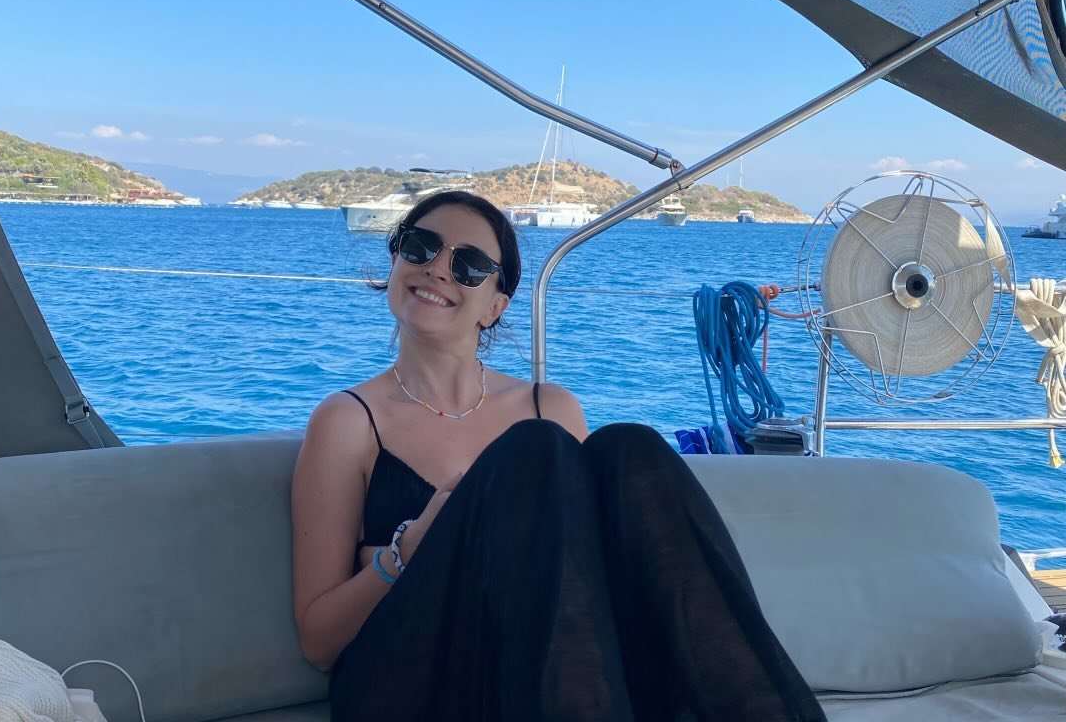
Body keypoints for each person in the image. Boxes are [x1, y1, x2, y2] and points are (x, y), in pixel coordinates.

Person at [292, 190, 824, 721]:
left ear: (495, 306)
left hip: (531, 670)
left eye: (469, 265)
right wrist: (408, 548)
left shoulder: (551, 406)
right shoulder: (348, 420)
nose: (436, 268)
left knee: (631, 446)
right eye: (420, 246)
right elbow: (319, 642)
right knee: (534, 448)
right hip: (411, 683)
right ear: (395, 261)